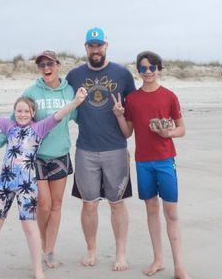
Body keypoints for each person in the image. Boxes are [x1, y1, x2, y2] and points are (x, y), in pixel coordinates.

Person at [0, 86, 87, 278]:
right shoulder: (8, 126)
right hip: (4, 183)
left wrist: (76, 101)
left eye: (26, 111)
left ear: (33, 113)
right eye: (18, 111)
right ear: (14, 113)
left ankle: (37, 269)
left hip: (27, 186)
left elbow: (58, 115)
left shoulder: (39, 128)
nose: (22, 114)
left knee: (29, 226)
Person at [0, 50, 76, 268]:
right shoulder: (32, 91)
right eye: (41, 65)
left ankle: (49, 250)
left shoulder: (69, 91)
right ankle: (41, 244)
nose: (46, 67)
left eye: (50, 63)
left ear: (57, 64)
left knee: (57, 205)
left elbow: (77, 118)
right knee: (44, 204)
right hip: (35, 158)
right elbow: (12, 123)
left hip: (61, 155)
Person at [112, 51, 190, 279]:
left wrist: (169, 132)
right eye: (143, 68)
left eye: (152, 67)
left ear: (159, 69)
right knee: (151, 211)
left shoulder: (169, 96)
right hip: (143, 162)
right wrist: (118, 115)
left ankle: (179, 266)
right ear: (138, 70)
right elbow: (127, 133)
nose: (148, 72)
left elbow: (182, 129)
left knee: (171, 213)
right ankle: (158, 259)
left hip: (165, 161)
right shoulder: (133, 99)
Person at [65, 27, 136, 271]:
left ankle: (121, 255)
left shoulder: (122, 74)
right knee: (89, 204)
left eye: (100, 45)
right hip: (85, 149)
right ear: (86, 48)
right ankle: (91, 251)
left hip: (116, 148)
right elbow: (60, 103)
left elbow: (135, 109)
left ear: (106, 46)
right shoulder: (74, 75)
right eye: (91, 46)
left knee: (117, 203)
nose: (96, 50)